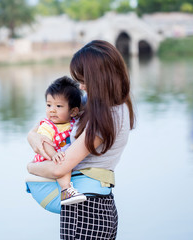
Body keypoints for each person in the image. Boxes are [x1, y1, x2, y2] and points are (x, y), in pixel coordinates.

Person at [27, 40, 135, 239]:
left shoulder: (107, 116)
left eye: (84, 80)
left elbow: (59, 168)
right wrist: (33, 135)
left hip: (85, 208)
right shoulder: (102, 106)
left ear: (100, 78)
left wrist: (30, 169)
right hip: (96, 204)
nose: (81, 86)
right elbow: (49, 120)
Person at [33, 76, 87, 205]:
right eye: (49, 105)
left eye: (58, 106)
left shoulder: (73, 121)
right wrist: (54, 155)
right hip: (50, 156)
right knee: (63, 163)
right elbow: (44, 142)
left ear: (73, 111)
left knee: (65, 160)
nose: (52, 110)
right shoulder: (48, 125)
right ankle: (66, 190)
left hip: (62, 154)